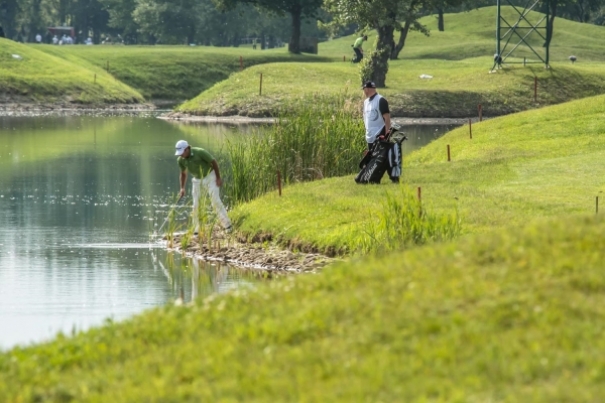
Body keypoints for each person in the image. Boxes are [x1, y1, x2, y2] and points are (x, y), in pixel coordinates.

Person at [174, 140, 232, 232]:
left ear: (187, 149)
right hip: (197, 180)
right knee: (196, 204)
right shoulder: (181, 160)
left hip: (210, 177)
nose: (180, 155)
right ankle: (197, 229)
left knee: (215, 200)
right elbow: (183, 173)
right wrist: (182, 188)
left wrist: (218, 178)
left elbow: (214, 162)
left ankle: (227, 225)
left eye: (182, 153)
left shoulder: (200, 152)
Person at [361, 81, 400, 183]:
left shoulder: (381, 100)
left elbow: (387, 119)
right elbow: (366, 118)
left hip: (380, 134)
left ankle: (394, 178)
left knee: (383, 158)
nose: (364, 91)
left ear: (367, 89)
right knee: (374, 159)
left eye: (364, 89)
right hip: (370, 136)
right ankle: (374, 179)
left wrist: (387, 134)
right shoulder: (366, 102)